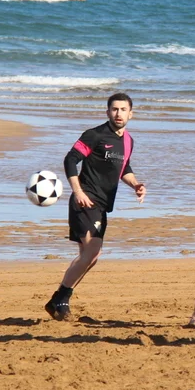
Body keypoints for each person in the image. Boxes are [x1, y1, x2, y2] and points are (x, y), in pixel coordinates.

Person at [45, 93, 146, 321]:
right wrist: (78, 191)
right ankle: (60, 299)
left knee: (90, 257)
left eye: (123, 109)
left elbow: (124, 168)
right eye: (114, 109)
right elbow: (70, 159)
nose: (118, 114)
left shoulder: (128, 141)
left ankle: (58, 301)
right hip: (85, 200)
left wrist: (136, 185)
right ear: (107, 112)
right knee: (93, 251)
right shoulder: (95, 135)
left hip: (102, 205)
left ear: (131, 114)